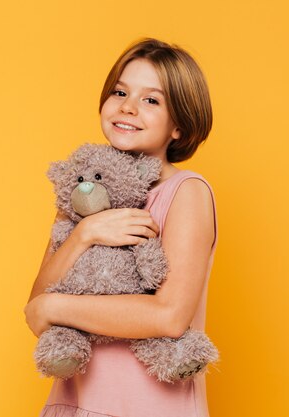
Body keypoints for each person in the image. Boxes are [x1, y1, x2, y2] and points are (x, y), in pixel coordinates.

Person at [25, 37, 218, 417]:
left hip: (149, 407)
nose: (128, 107)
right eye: (120, 91)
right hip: (75, 403)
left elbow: (169, 316)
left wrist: (55, 306)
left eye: (151, 100)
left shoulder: (186, 192)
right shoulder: (82, 194)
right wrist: (85, 233)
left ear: (178, 124)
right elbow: (35, 308)